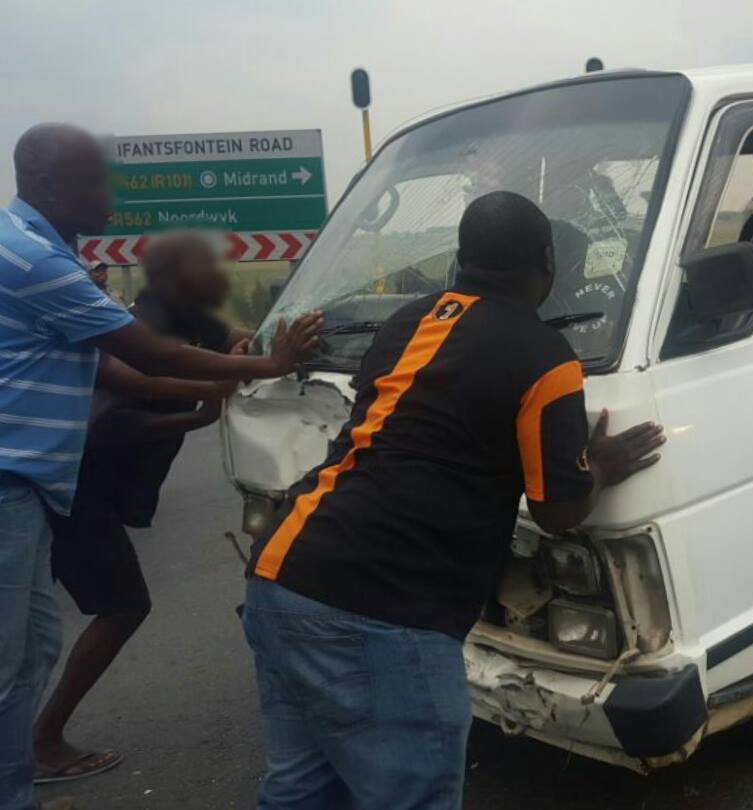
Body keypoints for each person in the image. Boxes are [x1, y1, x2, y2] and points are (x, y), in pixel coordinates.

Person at [242, 191, 664, 809]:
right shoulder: (546, 358)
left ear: (462, 259)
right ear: (548, 261)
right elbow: (557, 511)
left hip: (282, 574)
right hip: (383, 610)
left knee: (302, 789)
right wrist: (597, 466)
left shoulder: (407, 322)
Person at [0, 123, 322, 810]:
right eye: (94, 181)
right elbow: (143, 362)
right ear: (51, 185)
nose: (109, 195)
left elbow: (122, 363)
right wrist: (265, 367)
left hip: (37, 488)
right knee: (19, 657)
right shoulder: (37, 262)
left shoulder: (40, 254)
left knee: (28, 649)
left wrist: (223, 377)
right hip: (22, 482)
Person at [33, 232, 253, 785]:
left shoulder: (189, 316)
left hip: (93, 494)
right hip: (77, 493)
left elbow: (232, 344)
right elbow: (104, 422)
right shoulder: (144, 326)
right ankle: (42, 742)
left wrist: (246, 347)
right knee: (122, 606)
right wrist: (195, 417)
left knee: (33, 629)